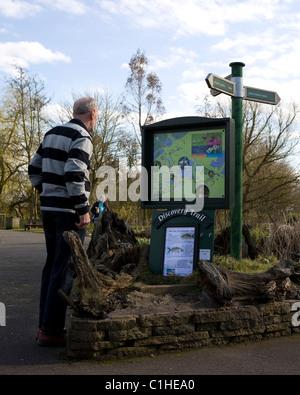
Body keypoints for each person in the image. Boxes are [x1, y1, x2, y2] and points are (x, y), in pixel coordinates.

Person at [28, 96, 98, 346]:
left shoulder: (52, 133)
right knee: (65, 269)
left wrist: (47, 193)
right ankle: (52, 331)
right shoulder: (82, 136)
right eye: (96, 115)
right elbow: (74, 171)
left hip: (48, 210)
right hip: (68, 212)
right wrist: (82, 209)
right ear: (92, 113)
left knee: (51, 267)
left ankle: (44, 326)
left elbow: (34, 169)